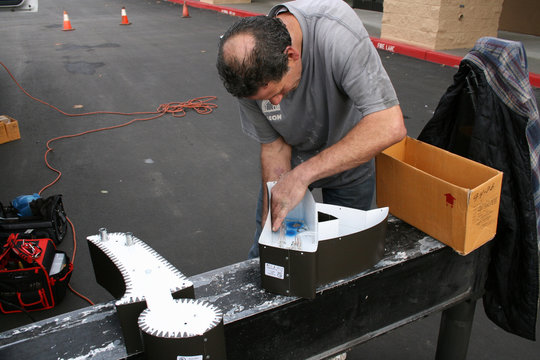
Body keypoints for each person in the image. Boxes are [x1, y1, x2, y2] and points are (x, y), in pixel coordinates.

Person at [217, 0, 406, 259]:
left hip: (349, 162)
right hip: (292, 166)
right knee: (268, 254)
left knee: (342, 260)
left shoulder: (337, 33)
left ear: (291, 55)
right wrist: (270, 229)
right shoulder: (245, 71)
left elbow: (389, 125)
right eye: (266, 98)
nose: (275, 103)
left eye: (279, 91)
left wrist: (302, 175)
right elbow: (274, 145)